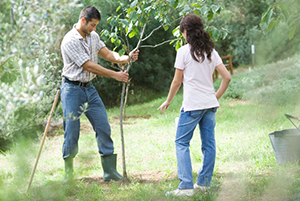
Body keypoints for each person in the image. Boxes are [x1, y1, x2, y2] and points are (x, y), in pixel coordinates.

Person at [60, 6, 139, 183]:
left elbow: (108, 54)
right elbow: (88, 65)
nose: (94, 29)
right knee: (72, 132)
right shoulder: (69, 41)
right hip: (71, 90)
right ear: (83, 21)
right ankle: (69, 175)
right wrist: (115, 75)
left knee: (103, 126)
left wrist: (126, 58)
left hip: (89, 89)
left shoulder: (93, 36)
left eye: (96, 25)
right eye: (92, 25)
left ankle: (110, 172)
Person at [158, 14, 231, 196]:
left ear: (186, 32)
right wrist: (215, 97)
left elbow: (177, 81)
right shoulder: (211, 52)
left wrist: (168, 100)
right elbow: (227, 77)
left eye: (182, 32)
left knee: (181, 142)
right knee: (209, 145)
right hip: (209, 105)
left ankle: (186, 187)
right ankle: (204, 184)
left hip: (192, 106)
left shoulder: (184, 51)